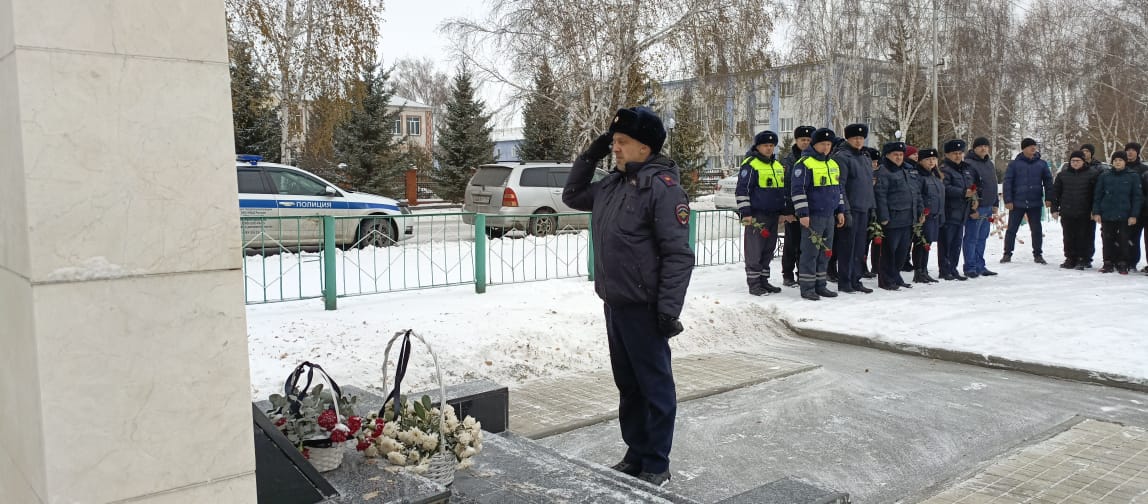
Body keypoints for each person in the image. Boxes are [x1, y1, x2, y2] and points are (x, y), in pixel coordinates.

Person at [562, 106, 693, 487]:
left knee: (654, 387)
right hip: (615, 302)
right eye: (613, 142)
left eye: (622, 142)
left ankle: (656, 463)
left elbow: (678, 254)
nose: (615, 149)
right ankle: (635, 453)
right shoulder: (612, 185)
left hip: (646, 308)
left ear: (645, 147)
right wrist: (591, 153)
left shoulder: (663, 189)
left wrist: (669, 310)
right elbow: (572, 195)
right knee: (629, 385)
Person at [790, 127, 846, 300]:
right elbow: (798, 190)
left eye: (829, 144)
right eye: (822, 144)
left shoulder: (832, 164)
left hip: (829, 215)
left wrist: (840, 210)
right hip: (813, 216)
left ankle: (820, 284)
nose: (826, 147)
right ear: (814, 144)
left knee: (825, 252)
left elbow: (838, 189)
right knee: (810, 252)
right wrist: (803, 213)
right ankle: (807, 287)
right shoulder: (804, 164)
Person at [736, 131, 788, 295]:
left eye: (771, 146)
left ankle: (764, 281)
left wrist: (783, 212)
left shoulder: (777, 166)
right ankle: (754, 283)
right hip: (757, 215)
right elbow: (742, 191)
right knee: (754, 251)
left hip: (773, 216)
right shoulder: (751, 165)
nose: (769, 148)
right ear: (758, 146)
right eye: (765, 145)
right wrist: (746, 213)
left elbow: (782, 192)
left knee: (768, 250)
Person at [832, 123, 876, 294]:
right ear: (848, 139)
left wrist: (872, 207)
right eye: (855, 138)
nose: (858, 141)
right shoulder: (842, 157)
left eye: (861, 138)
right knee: (846, 247)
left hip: (864, 208)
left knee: (859, 247)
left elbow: (868, 185)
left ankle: (856, 278)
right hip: (850, 209)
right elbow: (839, 186)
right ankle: (845, 281)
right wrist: (844, 210)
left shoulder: (865, 157)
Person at [874, 141, 923, 290]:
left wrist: (920, 210)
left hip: (908, 217)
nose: (899, 157)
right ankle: (886, 280)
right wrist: (883, 216)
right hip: (893, 218)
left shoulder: (907, 170)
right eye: (895, 154)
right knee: (890, 252)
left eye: (901, 154)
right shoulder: (883, 171)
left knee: (902, 252)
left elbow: (916, 192)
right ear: (887, 155)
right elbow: (880, 196)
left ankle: (896, 276)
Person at [1002, 138, 1053, 264]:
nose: (1033, 148)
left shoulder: (1042, 164)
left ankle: (1038, 254)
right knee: (1012, 229)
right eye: (1030, 146)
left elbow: (1048, 181)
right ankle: (1007, 253)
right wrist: (1008, 200)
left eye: (1034, 146)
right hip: (1017, 202)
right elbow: (1007, 182)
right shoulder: (1014, 164)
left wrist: (1049, 198)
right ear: (1023, 148)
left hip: (1035, 202)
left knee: (1036, 229)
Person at [1092, 151, 1142, 274]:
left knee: (1124, 240)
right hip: (1107, 214)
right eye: (1115, 160)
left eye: (1120, 160)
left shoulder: (1133, 176)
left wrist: (1134, 215)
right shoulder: (1105, 175)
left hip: (1125, 215)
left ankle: (1123, 263)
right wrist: (1096, 212)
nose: (1117, 162)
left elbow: (1137, 197)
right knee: (1107, 239)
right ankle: (1108, 262)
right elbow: (1098, 195)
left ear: (1125, 162)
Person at [1050, 151, 1100, 269]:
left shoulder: (1093, 174)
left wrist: (1095, 210)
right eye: (1073, 161)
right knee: (1068, 236)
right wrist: (1054, 208)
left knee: (1085, 236)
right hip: (1068, 211)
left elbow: (1097, 194)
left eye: (1078, 161)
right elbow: (1056, 193)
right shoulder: (1063, 175)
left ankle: (1084, 258)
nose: (1075, 163)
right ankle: (1070, 258)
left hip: (1085, 212)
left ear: (1083, 161)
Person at [781, 126, 816, 287]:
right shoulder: (788, 161)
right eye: (803, 140)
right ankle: (788, 274)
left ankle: (803, 274)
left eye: (809, 140)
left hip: (811, 210)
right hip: (793, 211)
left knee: (807, 244)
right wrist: (787, 210)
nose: (806, 143)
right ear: (797, 141)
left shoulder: (815, 159)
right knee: (791, 244)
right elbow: (785, 187)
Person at [939, 140, 978, 280]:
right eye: (954, 153)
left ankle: (953, 268)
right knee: (946, 243)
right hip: (949, 210)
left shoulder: (965, 168)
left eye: (960, 153)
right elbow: (945, 188)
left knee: (956, 243)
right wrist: (962, 192)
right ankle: (944, 270)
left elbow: (972, 186)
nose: (958, 156)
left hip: (962, 211)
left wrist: (974, 200)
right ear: (947, 154)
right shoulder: (944, 169)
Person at [962, 137, 999, 277]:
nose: (983, 148)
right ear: (974, 148)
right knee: (971, 237)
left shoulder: (989, 163)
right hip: (977, 207)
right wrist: (973, 208)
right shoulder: (969, 164)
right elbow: (970, 187)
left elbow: (993, 184)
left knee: (982, 237)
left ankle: (980, 265)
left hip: (988, 206)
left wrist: (995, 203)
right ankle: (970, 266)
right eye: (980, 146)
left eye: (985, 146)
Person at [913, 148, 944, 283]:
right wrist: (921, 212)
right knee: (921, 243)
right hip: (924, 216)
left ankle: (924, 269)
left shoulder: (934, 175)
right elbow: (918, 195)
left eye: (934, 159)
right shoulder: (919, 176)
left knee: (927, 243)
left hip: (934, 215)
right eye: (927, 159)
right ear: (920, 161)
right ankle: (918, 271)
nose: (931, 162)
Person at [1126, 142, 1147, 271]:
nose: (1130, 152)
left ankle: (1134, 262)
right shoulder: (1122, 167)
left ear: (1138, 152)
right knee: (1127, 237)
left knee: (1140, 238)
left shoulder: (1143, 170)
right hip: (1125, 209)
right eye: (1128, 150)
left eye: (1133, 150)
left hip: (1141, 210)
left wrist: (1141, 203)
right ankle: (1128, 261)